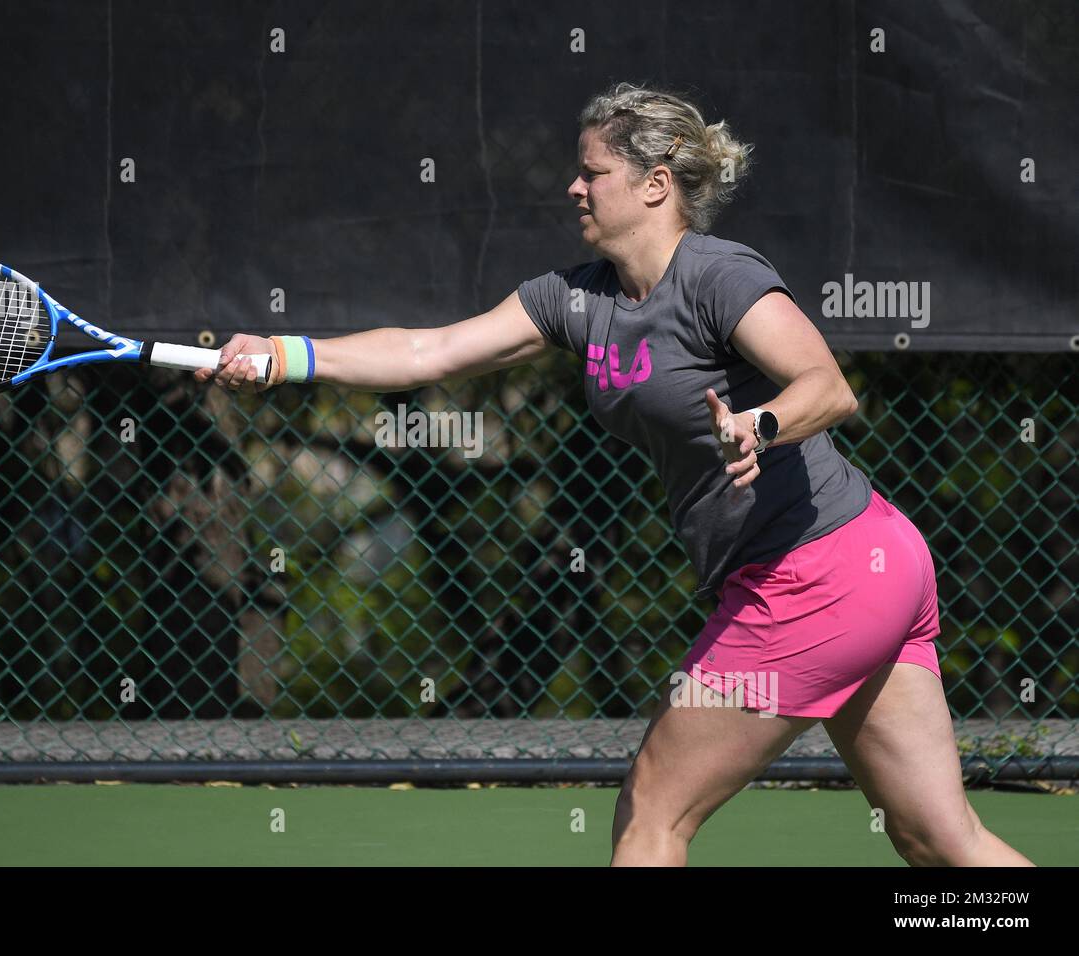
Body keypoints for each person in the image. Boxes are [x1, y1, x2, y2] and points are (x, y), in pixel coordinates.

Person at [196, 82, 1034, 867]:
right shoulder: (575, 299)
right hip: (872, 566)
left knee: (651, 816)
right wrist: (284, 354)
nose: (574, 188)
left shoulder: (718, 275)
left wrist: (760, 424)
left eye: (592, 172)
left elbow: (828, 386)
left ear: (655, 184)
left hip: (813, 576)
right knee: (941, 843)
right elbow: (431, 349)